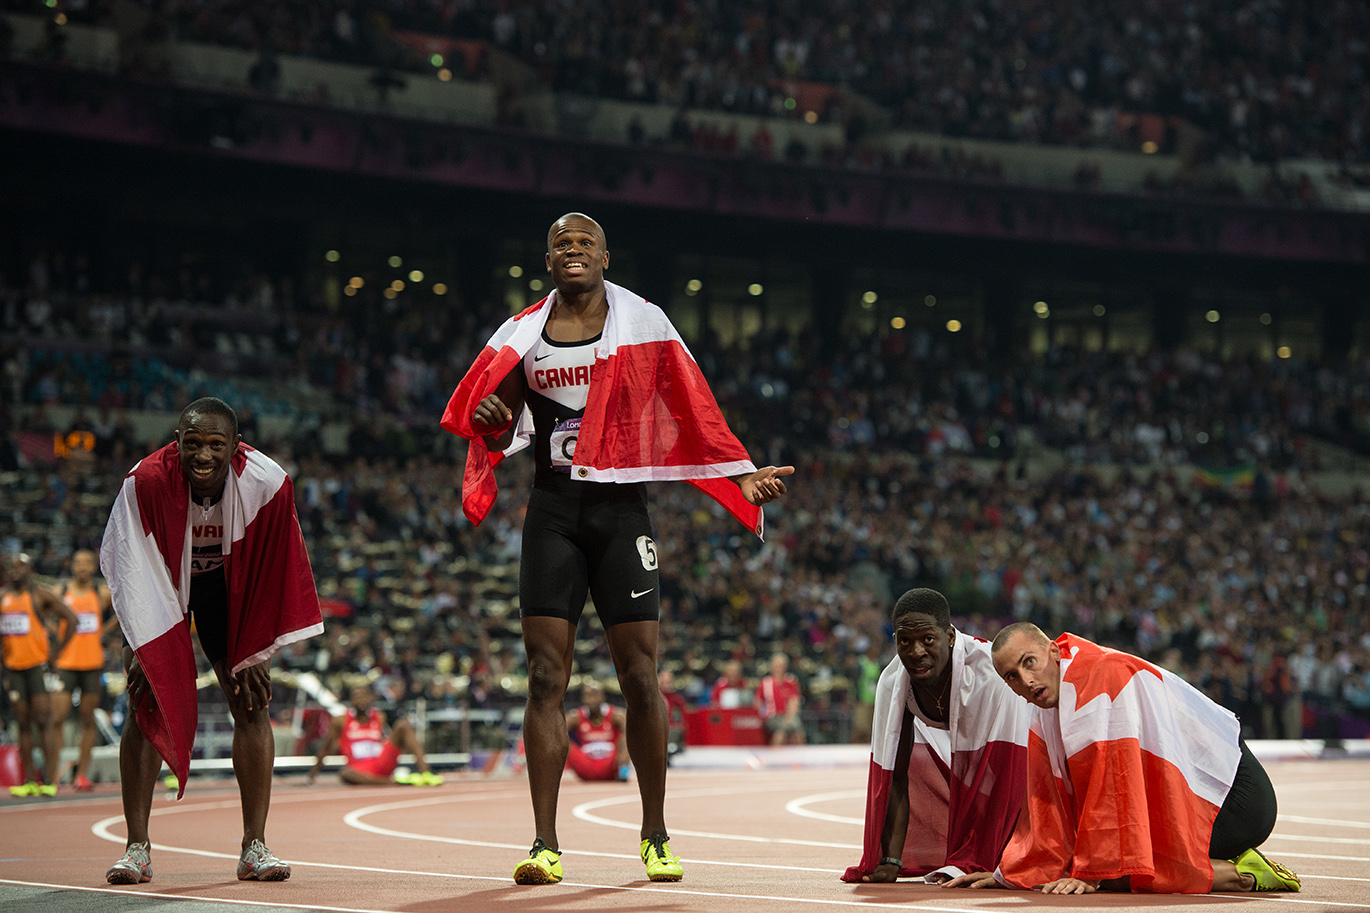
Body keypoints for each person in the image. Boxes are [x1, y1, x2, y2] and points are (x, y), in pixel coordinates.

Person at [441, 212, 793, 885]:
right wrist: (491, 422)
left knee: (639, 675)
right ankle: (545, 843)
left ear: (605, 254)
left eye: (585, 243)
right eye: (562, 244)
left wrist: (741, 476)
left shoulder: (644, 323)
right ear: (548, 259)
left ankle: (655, 832)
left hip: (620, 512)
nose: (573, 251)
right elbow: (501, 420)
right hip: (553, 512)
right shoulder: (524, 334)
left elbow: (692, 412)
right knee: (546, 676)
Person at [100, 397, 323, 885]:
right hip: (159, 583)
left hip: (230, 584)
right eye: (192, 443)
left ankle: (254, 846)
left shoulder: (268, 482)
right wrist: (144, 645)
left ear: (236, 447)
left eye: (215, 444)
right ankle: (137, 848)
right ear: (175, 442)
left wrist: (258, 647)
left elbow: (273, 562)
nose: (202, 455)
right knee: (146, 698)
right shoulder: (145, 482)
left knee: (251, 700)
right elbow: (129, 564)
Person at [947, 623, 1301, 895]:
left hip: (1235, 800)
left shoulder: (1098, 679)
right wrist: (1010, 873)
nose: (1026, 680)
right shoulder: (1050, 703)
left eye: (1029, 663)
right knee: (1092, 866)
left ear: (1053, 651)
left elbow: (1114, 785)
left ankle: (1246, 874)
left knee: (1119, 873)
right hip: (1206, 794)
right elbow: (1050, 805)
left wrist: (1092, 873)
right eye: (1012, 676)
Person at [843, 589, 1028, 885]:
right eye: (905, 641)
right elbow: (894, 774)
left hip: (1028, 745)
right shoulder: (894, 684)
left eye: (928, 639)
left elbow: (1006, 772)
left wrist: (990, 857)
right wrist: (891, 860)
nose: (916, 652)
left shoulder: (987, 674)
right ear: (895, 641)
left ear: (950, 636)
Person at [2, 553, 77, 797]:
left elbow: (71, 619)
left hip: (37, 668)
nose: (15, 572)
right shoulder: (3, 598)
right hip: (14, 670)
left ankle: (49, 779)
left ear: (29, 570)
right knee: (22, 725)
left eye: (20, 567)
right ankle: (28, 781)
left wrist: (55, 655)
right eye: (12, 568)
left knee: (44, 722)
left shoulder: (39, 595)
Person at [51, 549, 118, 791]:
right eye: (77, 561)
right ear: (71, 565)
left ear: (94, 567)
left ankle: (81, 774)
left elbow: (121, 611)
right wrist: (55, 636)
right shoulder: (61, 592)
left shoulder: (100, 593)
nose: (82, 566)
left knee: (87, 720)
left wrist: (103, 631)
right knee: (57, 719)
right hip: (66, 664)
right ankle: (53, 773)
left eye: (87, 562)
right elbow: (43, 614)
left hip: (92, 664)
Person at [307, 684, 442, 786]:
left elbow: (386, 741)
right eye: (357, 697)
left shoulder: (379, 717)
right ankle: (393, 783)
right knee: (345, 773)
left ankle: (426, 773)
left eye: (364, 697)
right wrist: (312, 774)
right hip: (360, 769)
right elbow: (326, 747)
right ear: (351, 701)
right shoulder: (341, 720)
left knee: (403, 725)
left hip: (381, 761)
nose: (361, 700)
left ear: (371, 698)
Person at [565, 680, 628, 781]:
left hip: (611, 765)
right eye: (587, 696)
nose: (591, 700)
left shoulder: (616, 715)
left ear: (603, 696)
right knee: (561, 740)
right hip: (586, 765)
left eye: (594, 695)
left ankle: (623, 773)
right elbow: (555, 731)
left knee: (627, 736)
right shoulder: (576, 716)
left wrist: (623, 758)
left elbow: (628, 728)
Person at [756, 653, 803, 746]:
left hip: (788, 716)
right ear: (771, 667)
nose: (778, 668)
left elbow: (794, 702)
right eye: (776, 665)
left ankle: (799, 759)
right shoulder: (765, 683)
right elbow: (758, 703)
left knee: (798, 732)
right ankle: (774, 757)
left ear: (785, 667)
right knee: (781, 731)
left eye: (780, 666)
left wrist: (788, 718)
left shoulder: (791, 682)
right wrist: (762, 717)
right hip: (772, 717)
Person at [658, 669, 688, 759]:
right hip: (657, 730)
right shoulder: (654, 699)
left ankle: (671, 748)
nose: (667, 685)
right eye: (664, 682)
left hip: (672, 731)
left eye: (669, 682)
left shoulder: (677, 700)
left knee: (674, 731)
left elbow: (683, 720)